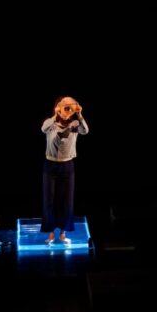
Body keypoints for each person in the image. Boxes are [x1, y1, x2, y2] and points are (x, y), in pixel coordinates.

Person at [40, 96, 89, 245]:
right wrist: (56, 114)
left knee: (66, 200)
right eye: (65, 108)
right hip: (50, 165)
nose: (68, 111)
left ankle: (63, 233)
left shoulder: (74, 124)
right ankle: (50, 233)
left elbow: (85, 131)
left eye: (70, 108)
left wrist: (79, 115)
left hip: (67, 166)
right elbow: (43, 129)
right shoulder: (50, 123)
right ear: (58, 108)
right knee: (49, 200)